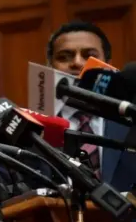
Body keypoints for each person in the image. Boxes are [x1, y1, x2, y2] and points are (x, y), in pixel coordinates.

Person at [47, 21, 136, 194]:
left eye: (89, 55)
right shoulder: (32, 129)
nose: (76, 63)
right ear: (50, 66)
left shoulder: (131, 119)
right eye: (64, 57)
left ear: (107, 64)